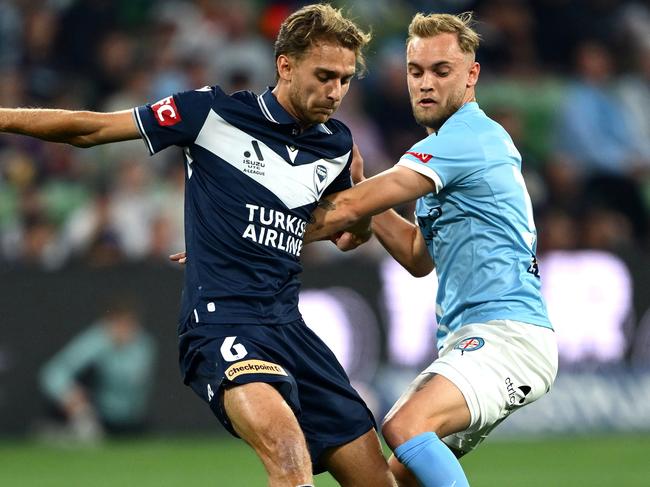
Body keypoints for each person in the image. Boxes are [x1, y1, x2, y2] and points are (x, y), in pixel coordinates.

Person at [0, 4, 394, 487]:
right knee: (291, 468)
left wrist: (363, 213)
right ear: (285, 65)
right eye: (325, 75)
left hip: (291, 329)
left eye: (346, 79)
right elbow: (92, 129)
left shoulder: (336, 145)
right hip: (223, 323)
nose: (335, 92)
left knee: (379, 481)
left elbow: (350, 234)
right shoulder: (209, 113)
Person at [305, 12, 558, 487]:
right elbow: (418, 256)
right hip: (475, 339)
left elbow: (348, 209)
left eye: (441, 71)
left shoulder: (466, 137)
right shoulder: (442, 152)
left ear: (472, 75)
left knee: (403, 424)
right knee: (392, 481)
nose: (425, 83)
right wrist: (361, 187)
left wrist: (250, 236)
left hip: (506, 337)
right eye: (416, 71)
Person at [38, 299, 156, 443]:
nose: (123, 330)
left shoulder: (144, 345)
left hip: (132, 422)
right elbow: (52, 373)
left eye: (128, 324)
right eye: (118, 324)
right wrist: (72, 397)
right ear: (108, 323)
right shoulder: (96, 341)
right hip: (98, 419)